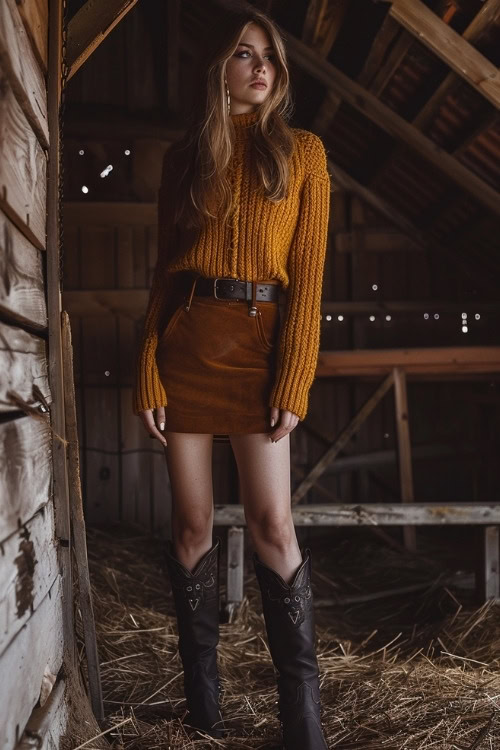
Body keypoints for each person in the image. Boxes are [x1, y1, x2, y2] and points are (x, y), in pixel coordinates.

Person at [133, 6, 331, 749]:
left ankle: (302, 725)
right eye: (245, 54)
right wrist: (146, 367)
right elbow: (161, 278)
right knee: (189, 526)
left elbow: (308, 282)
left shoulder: (303, 153)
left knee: (272, 525)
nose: (261, 68)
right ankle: (205, 713)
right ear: (219, 65)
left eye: (270, 57)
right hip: (186, 342)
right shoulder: (185, 159)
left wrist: (296, 377)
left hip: (260, 346)